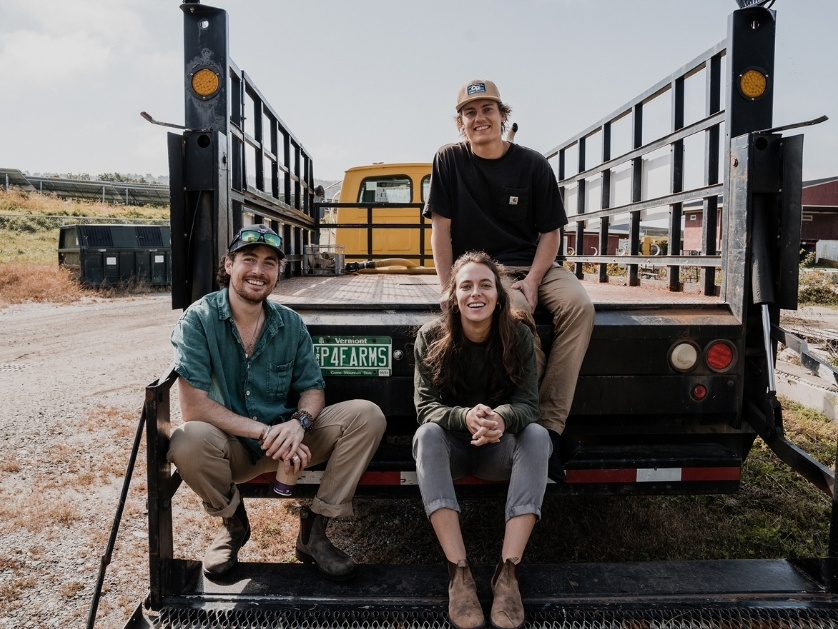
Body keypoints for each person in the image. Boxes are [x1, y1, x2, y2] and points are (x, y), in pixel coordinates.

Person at [167, 224, 386, 581]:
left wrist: (299, 424)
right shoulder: (199, 319)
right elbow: (195, 408)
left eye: (269, 263)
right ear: (228, 264)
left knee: (367, 415)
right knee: (186, 440)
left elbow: (313, 389)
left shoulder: (291, 324)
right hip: (233, 447)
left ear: (277, 273)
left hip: (290, 443)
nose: (258, 271)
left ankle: (315, 531)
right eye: (249, 260)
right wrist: (267, 431)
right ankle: (232, 525)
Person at [423, 78, 596, 482]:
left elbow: (551, 233)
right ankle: (531, 422)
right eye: (470, 112)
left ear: (503, 116)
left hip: (535, 264)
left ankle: (549, 429)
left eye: (488, 110)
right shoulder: (448, 160)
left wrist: (535, 280)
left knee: (580, 307)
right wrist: (448, 287)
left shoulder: (532, 163)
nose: (479, 118)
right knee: (516, 316)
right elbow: (441, 231)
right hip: (485, 270)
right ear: (460, 123)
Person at [412, 251, 550, 629]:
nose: (476, 293)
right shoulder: (430, 336)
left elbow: (528, 405)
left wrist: (500, 419)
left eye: (485, 285)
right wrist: (465, 416)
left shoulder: (518, 334)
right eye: (466, 286)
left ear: (499, 295)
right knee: (426, 434)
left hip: (496, 451)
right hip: (451, 451)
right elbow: (425, 407)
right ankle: (460, 574)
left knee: (537, 436)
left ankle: (508, 574)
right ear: (453, 295)